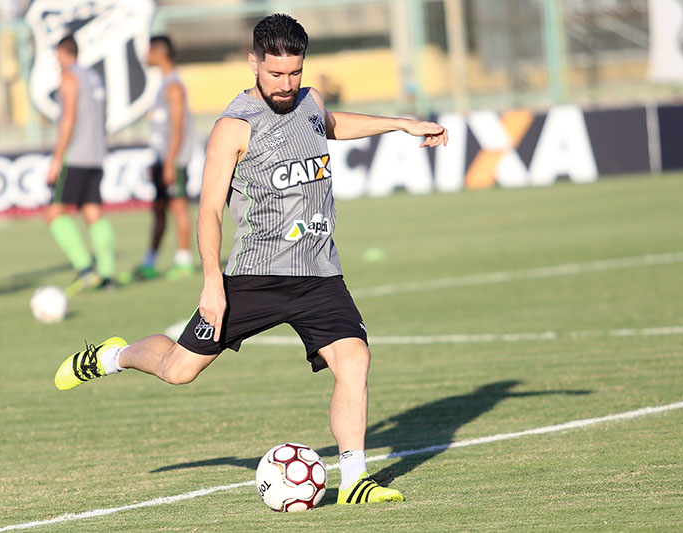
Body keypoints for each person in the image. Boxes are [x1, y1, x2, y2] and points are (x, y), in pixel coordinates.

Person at [53, 14, 447, 505]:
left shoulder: (309, 101)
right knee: (179, 369)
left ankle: (354, 481)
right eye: (276, 74)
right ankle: (111, 356)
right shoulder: (233, 126)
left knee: (355, 360)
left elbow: (331, 125)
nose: (286, 84)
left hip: (320, 275)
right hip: (255, 277)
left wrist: (402, 125)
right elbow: (210, 211)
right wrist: (212, 283)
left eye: (294, 73)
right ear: (253, 62)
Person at [46, 35, 116, 291]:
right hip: (96, 154)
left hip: (75, 155)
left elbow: (68, 118)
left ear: (63, 54)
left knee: (54, 213)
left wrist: (56, 158)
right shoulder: (94, 77)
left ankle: (85, 267)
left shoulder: (69, 75)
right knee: (93, 212)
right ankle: (107, 275)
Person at [135, 35, 196, 281]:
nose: (145, 56)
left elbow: (178, 127)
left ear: (160, 52)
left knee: (179, 206)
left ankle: (184, 260)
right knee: (159, 209)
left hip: (175, 160)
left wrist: (170, 162)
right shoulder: (163, 85)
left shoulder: (173, 86)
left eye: (149, 50)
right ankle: (150, 261)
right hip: (163, 160)